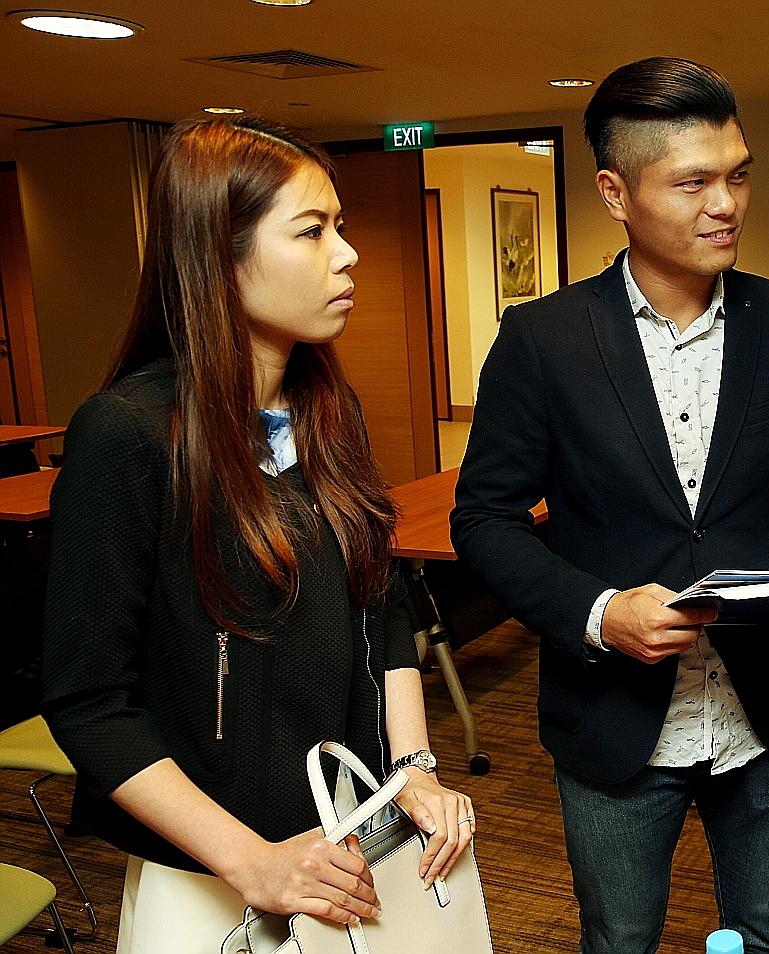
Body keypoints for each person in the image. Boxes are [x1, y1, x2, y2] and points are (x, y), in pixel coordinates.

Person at [451, 57, 769, 954]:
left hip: (765, 711)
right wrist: (601, 613)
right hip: (613, 720)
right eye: (693, 182)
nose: (725, 203)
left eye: (738, 174)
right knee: (620, 940)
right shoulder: (545, 341)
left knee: (766, 930)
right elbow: (484, 521)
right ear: (615, 191)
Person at [41, 116, 475, 953]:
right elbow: (89, 703)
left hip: (345, 845)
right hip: (216, 876)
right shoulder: (128, 433)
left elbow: (381, 612)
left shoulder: (329, 411)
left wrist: (412, 773)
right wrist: (254, 863)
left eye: (340, 228)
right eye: (312, 232)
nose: (347, 254)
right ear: (218, 255)